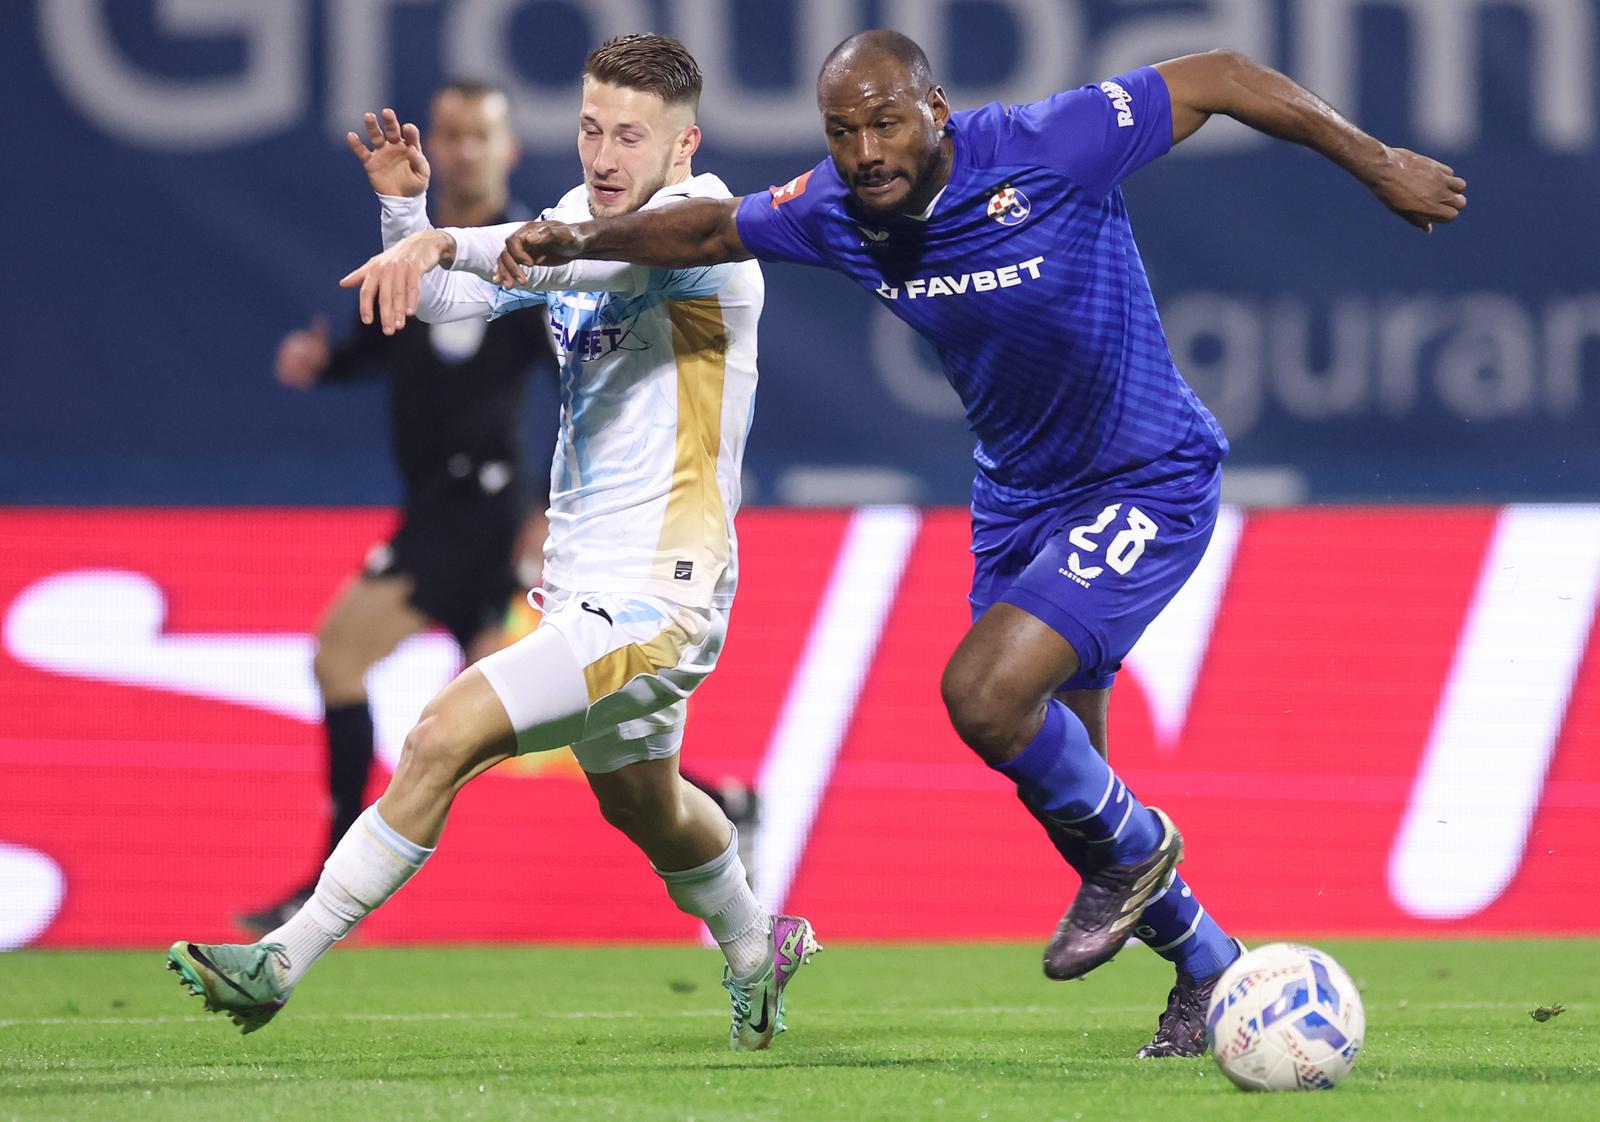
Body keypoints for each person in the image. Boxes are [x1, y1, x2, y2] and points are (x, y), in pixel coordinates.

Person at [487, 31, 1467, 1058]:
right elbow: (706, 233)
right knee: (1079, 789)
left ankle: (1142, 861)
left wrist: (1377, 162)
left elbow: (1220, 75)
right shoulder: (834, 208)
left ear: (936, 108)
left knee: (985, 697)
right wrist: (578, 241)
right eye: (841, 131)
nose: (864, 150)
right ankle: (1210, 967)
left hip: (1144, 479)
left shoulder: (1048, 144)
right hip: (1016, 502)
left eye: (884, 121)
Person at [168, 34, 817, 1051]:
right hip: (583, 586)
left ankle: (278, 961)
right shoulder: (570, 220)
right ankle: (754, 943)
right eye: (591, 129)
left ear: (683, 145)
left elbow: (590, 256)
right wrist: (407, 220)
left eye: (630, 137)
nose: (604, 155)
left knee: (440, 734)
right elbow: (458, 305)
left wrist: (451, 241)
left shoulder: (704, 229)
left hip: (663, 592)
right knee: (648, 807)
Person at [242, 80, 556, 934]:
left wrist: (545, 517)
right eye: (450, 133)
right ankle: (721, 800)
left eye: (478, 135)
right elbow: (387, 338)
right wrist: (328, 366)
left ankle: (330, 886)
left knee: (340, 653)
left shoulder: (535, 255)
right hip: (433, 507)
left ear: (508, 150)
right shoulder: (417, 248)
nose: (461, 150)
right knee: (542, 720)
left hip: (481, 511)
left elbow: (580, 390)